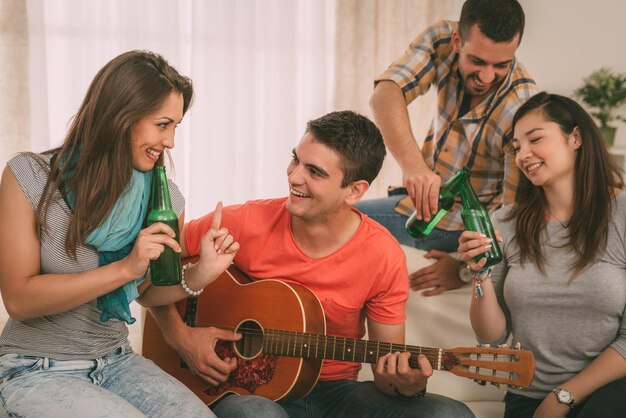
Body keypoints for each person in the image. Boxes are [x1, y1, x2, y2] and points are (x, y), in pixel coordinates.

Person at [149, 111, 475, 417]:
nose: (294, 176)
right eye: (296, 159)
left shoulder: (383, 255)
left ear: (355, 190)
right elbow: (150, 276)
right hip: (247, 392)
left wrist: (407, 386)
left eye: (314, 172)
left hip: (336, 393)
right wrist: (179, 336)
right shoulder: (242, 221)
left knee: (452, 414)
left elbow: (385, 373)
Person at [0, 50, 239, 417]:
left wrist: (202, 272)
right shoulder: (29, 177)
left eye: (176, 127)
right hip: (34, 366)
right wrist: (125, 268)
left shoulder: (166, 198)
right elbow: (19, 299)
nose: (171, 141)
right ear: (121, 118)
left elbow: (146, 292)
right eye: (163, 125)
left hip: (117, 362)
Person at [458, 92, 626, 418]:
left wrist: (563, 396)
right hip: (527, 397)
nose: (523, 154)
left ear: (575, 138)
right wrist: (479, 273)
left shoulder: (621, 215)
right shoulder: (504, 221)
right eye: (517, 147)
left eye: (535, 139)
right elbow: (491, 339)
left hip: (611, 393)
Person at [356, 0, 538, 296]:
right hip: (422, 207)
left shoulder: (521, 109)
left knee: (337, 226)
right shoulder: (441, 38)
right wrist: (413, 167)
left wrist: (464, 270)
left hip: (462, 229)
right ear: (457, 41)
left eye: (502, 65)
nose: (488, 76)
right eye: (477, 61)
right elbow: (385, 94)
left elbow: (513, 219)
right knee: (333, 221)